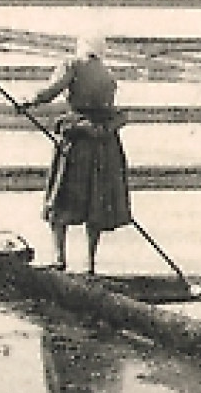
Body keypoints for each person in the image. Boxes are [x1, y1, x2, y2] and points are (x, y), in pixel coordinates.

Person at [21, 33, 132, 274]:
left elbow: (51, 90)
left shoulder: (71, 65)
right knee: (97, 204)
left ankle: (60, 259)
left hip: (78, 142)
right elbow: (111, 110)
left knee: (60, 199)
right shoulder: (108, 75)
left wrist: (30, 101)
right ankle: (89, 264)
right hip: (104, 144)